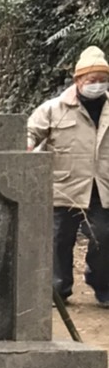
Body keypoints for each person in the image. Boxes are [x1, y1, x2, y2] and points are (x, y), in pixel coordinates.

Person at [28, 45, 109, 303]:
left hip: (101, 188)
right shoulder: (54, 109)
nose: (97, 85)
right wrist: (27, 147)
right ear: (78, 80)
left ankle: (102, 287)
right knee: (59, 240)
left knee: (103, 240)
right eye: (92, 80)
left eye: (102, 80)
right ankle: (58, 291)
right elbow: (31, 133)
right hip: (63, 186)